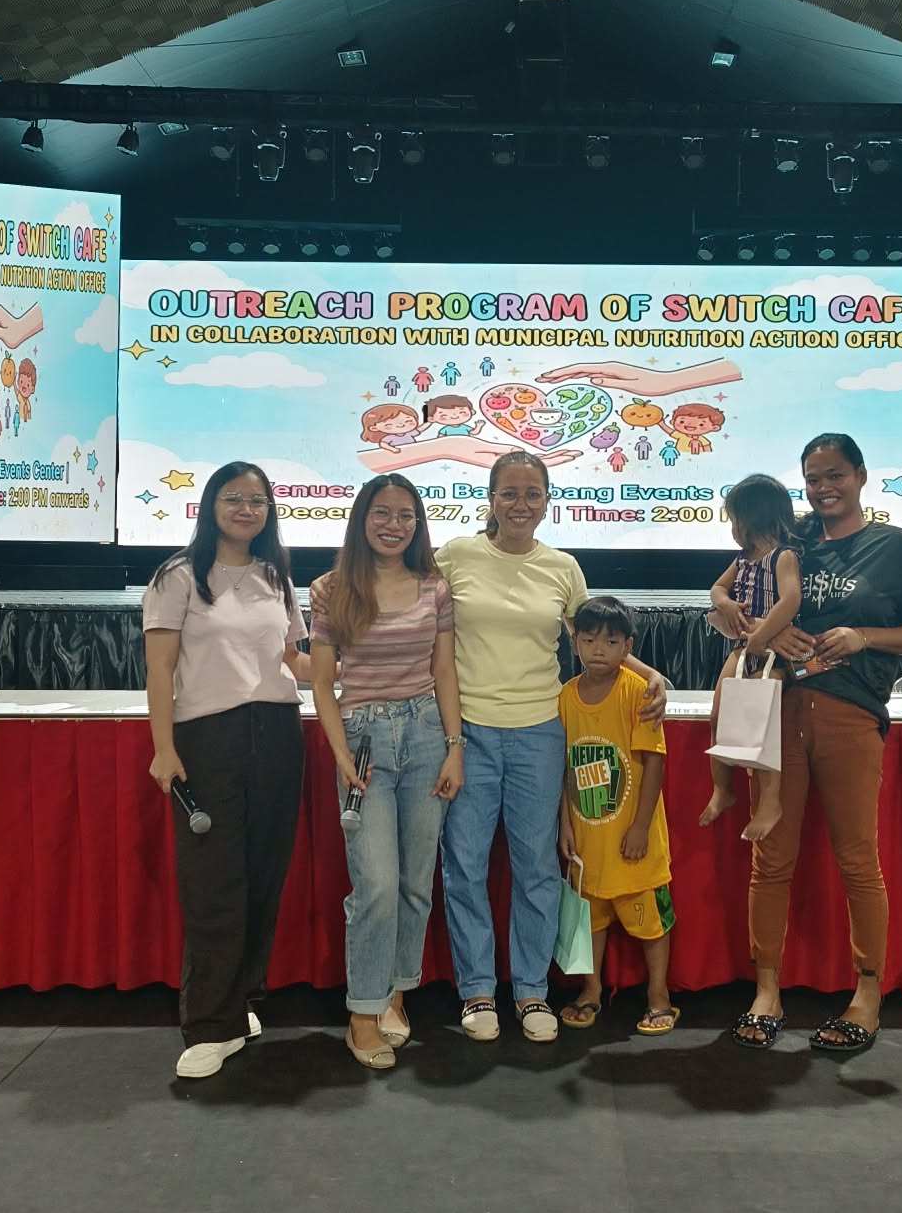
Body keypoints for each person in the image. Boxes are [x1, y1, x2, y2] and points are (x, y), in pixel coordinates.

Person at [436, 449, 668, 1043]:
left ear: (546, 501)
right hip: (469, 732)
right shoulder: (456, 556)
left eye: (532, 494)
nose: (521, 504)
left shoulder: (562, 567)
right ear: (490, 498)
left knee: (538, 868)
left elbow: (593, 635)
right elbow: (412, 613)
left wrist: (650, 676)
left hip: (540, 730)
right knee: (465, 866)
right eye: (509, 493)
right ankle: (477, 991)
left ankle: (532, 991)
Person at [734, 433, 902, 1057]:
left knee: (857, 860)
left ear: (860, 475)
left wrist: (863, 637)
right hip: (776, 709)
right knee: (770, 858)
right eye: (813, 478)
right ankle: (766, 993)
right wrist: (759, 629)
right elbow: (727, 602)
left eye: (835, 475)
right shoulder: (790, 539)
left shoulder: (896, 546)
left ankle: (867, 995)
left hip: (851, 716)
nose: (823, 488)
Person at [143, 462, 310, 1081]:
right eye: (234, 498)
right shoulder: (178, 576)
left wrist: (361, 665)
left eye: (258, 501)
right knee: (213, 882)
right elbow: (160, 670)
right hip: (207, 739)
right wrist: (164, 749)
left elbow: (293, 660)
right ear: (211, 504)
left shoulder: (276, 576)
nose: (246, 509)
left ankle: (240, 1003)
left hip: (278, 734)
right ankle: (210, 1024)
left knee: (264, 874)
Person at [310, 476, 465, 1071]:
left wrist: (454, 748)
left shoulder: (434, 587)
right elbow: (322, 683)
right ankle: (362, 1012)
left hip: (426, 734)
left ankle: (397, 992)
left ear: (417, 523)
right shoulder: (332, 590)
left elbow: (444, 672)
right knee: (375, 882)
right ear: (362, 519)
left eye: (405, 515)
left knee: (415, 882)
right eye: (382, 513)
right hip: (363, 740)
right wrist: (339, 754)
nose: (393, 525)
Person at [557, 596, 677, 1034]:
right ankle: (590, 991)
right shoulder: (565, 697)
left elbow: (654, 760)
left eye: (610, 642)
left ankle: (659, 997)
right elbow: (563, 768)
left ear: (628, 646)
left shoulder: (638, 693)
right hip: (588, 843)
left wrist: (641, 826)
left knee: (651, 921)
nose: (599, 650)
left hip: (633, 841)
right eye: (589, 640)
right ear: (575, 643)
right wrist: (564, 823)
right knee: (589, 919)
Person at [702, 473, 804, 843]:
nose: (733, 528)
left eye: (735, 520)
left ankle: (771, 801)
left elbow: (790, 600)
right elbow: (717, 589)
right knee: (719, 712)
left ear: (753, 519)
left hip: (773, 652)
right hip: (744, 648)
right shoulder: (742, 560)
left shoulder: (783, 556)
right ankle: (722, 788)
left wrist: (762, 636)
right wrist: (727, 604)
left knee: (762, 722)